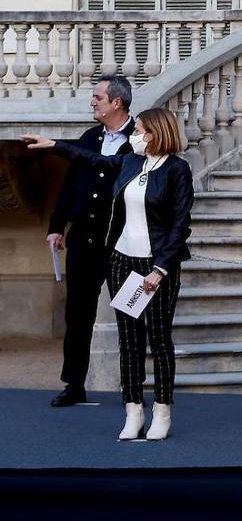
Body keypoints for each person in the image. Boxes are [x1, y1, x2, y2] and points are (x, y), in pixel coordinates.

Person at [23, 108, 194, 441]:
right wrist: (55, 144)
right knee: (129, 340)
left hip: (157, 267)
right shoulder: (129, 162)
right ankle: (133, 409)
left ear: (155, 134)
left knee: (159, 340)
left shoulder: (177, 170)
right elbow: (93, 160)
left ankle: (162, 410)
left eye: (139, 131)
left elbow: (180, 224)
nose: (134, 136)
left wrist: (160, 269)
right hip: (122, 261)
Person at [45, 75, 136, 407]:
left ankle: (132, 386)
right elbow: (70, 184)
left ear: (117, 102)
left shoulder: (139, 138)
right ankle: (74, 384)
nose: (92, 101)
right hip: (83, 240)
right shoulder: (89, 137)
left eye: (98, 97)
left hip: (122, 243)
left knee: (130, 315)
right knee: (77, 314)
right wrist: (57, 226)